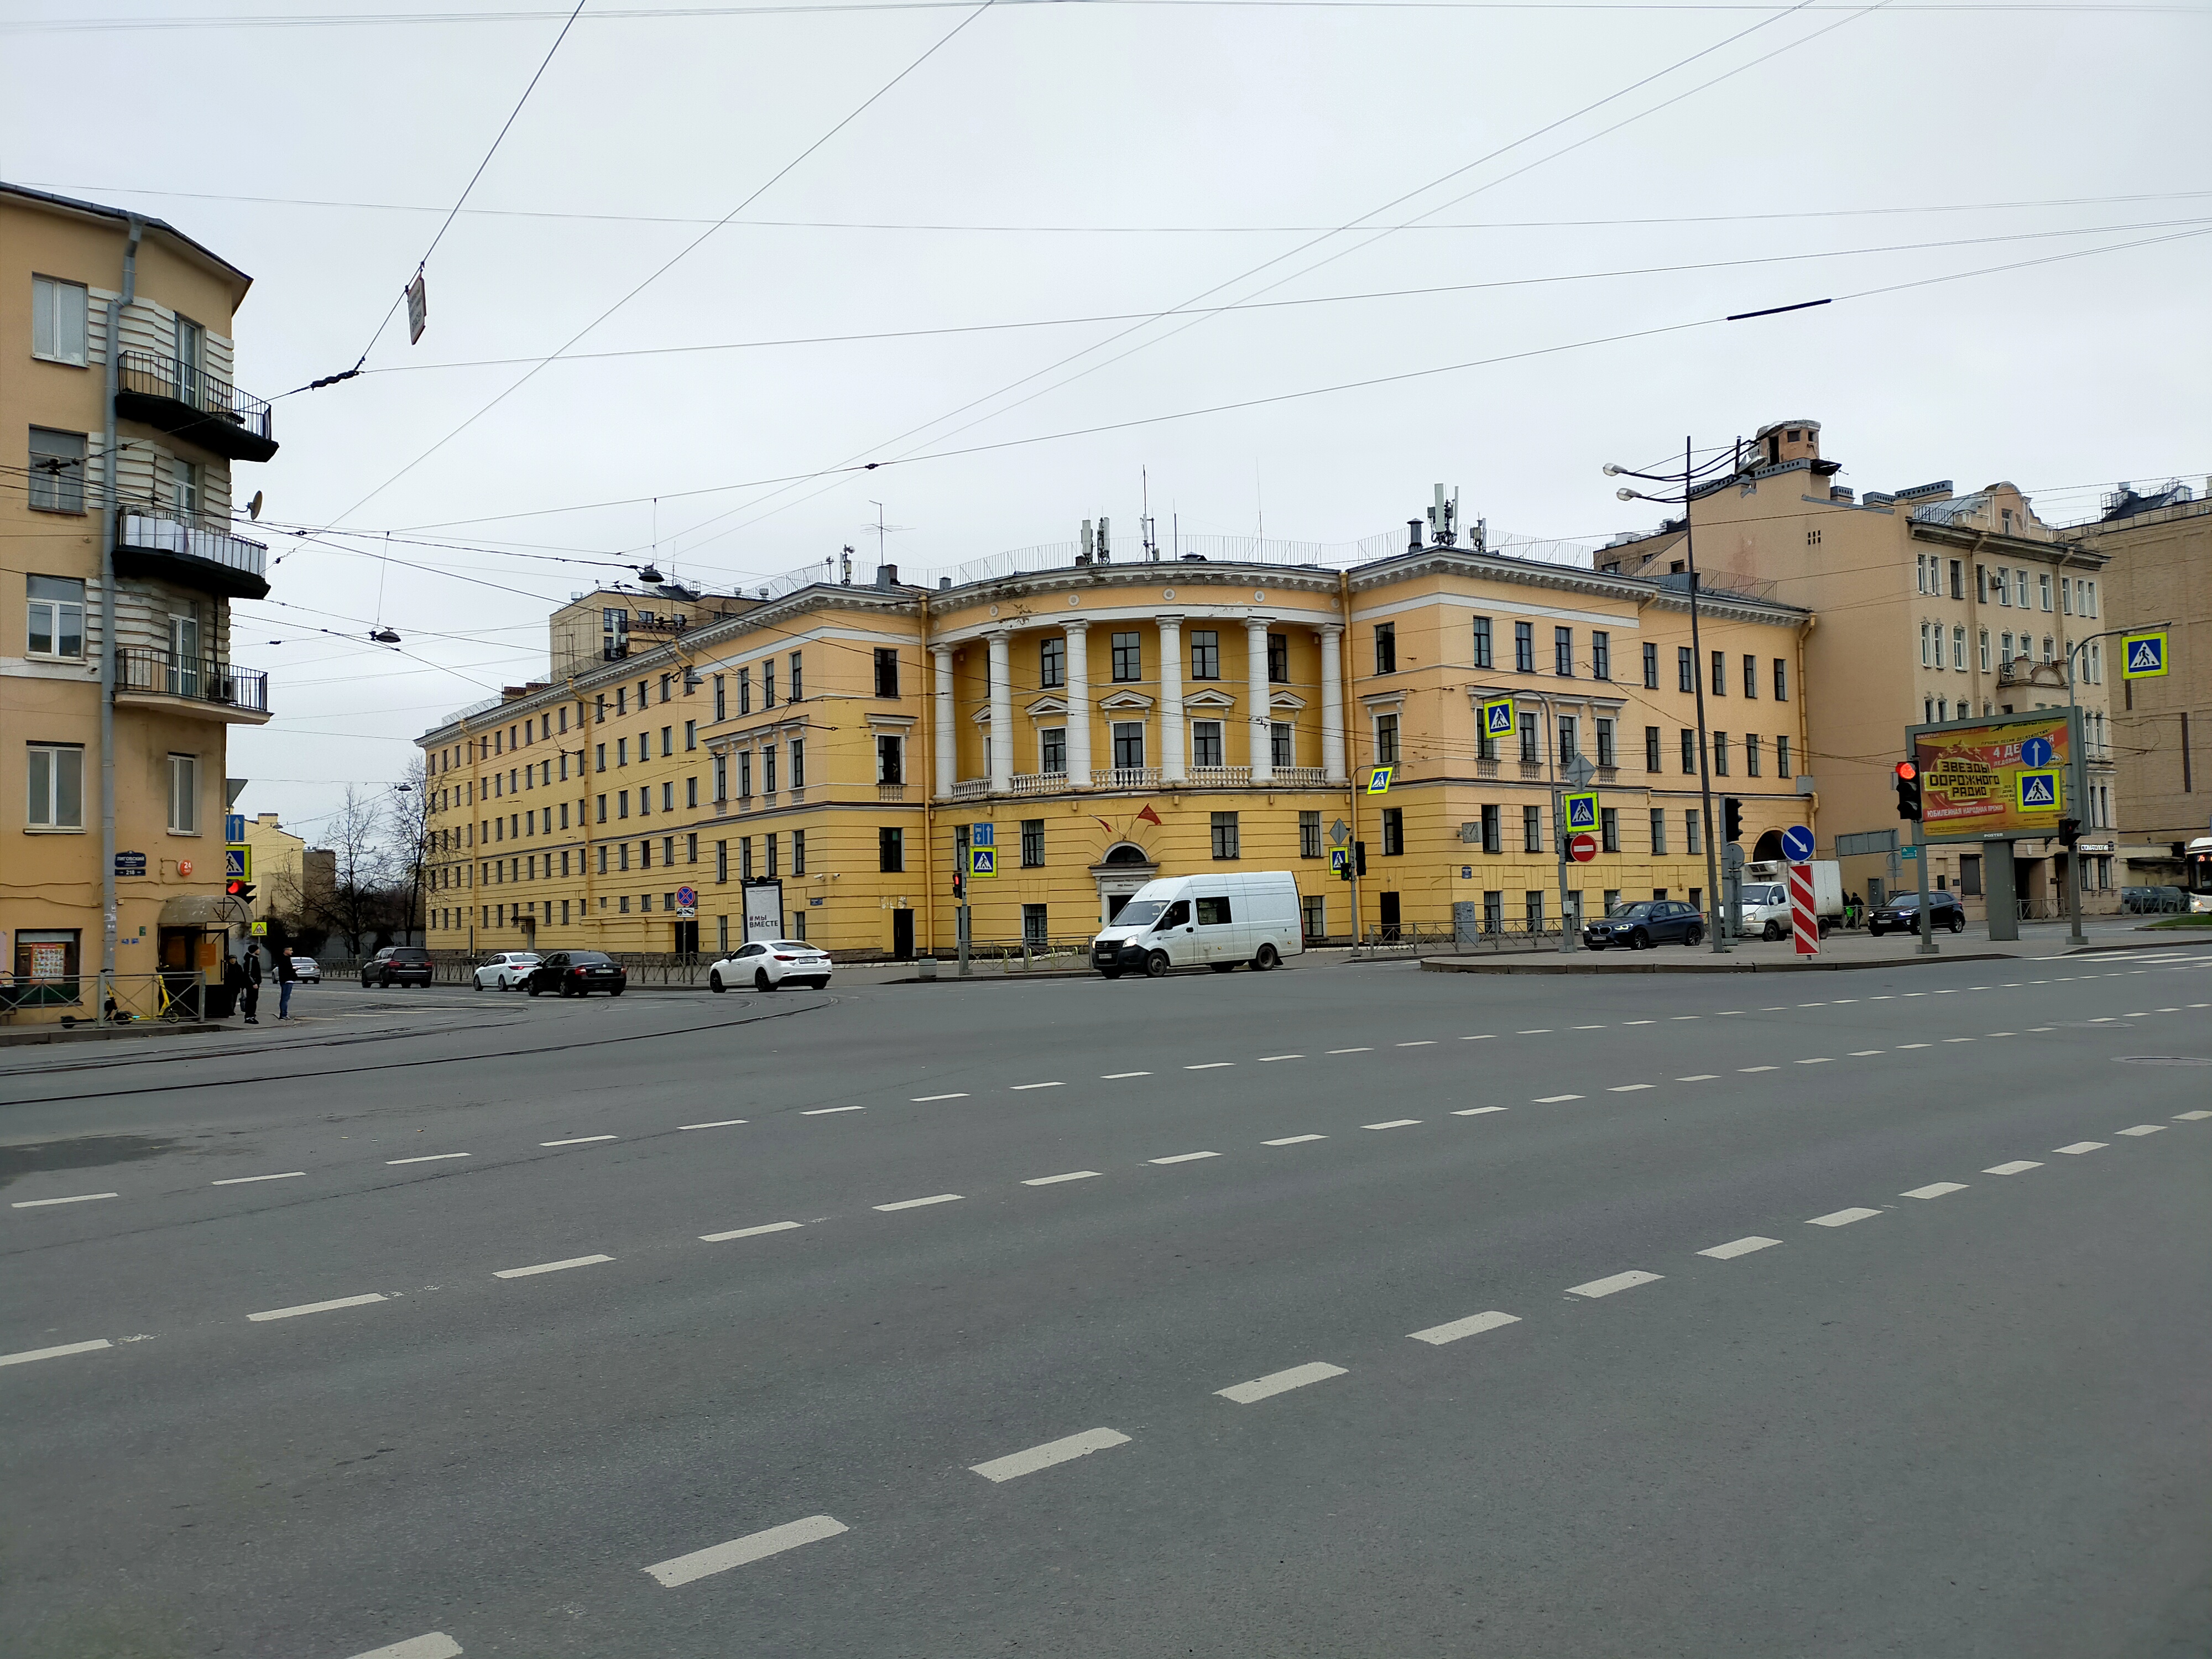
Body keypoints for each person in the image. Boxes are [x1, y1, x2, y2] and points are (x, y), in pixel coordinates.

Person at [241, 946, 263, 1024]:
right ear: (254, 950)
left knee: (254, 1000)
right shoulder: (251, 959)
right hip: (252, 984)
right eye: (258, 949)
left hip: (255, 983)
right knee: (251, 1000)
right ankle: (249, 1017)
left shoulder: (254, 959)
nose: (259, 951)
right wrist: (254, 983)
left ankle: (252, 1016)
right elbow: (248, 973)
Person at [276, 946, 299, 1020]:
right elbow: (286, 971)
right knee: (285, 998)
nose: (292, 952)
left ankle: (284, 1014)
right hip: (287, 981)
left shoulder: (286, 959)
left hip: (287, 980)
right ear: (285, 951)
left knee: (285, 998)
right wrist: (294, 970)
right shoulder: (284, 959)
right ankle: (283, 1015)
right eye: (290, 950)